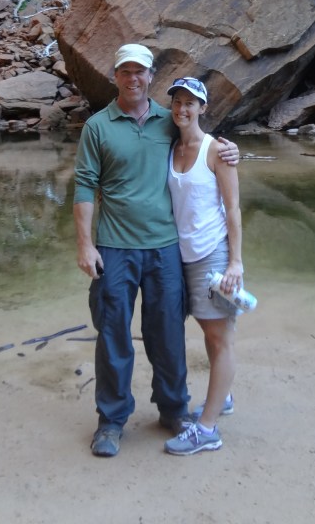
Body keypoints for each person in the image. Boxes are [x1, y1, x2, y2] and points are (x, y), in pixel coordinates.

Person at [73, 43, 239, 458]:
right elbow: (83, 187)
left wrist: (232, 149)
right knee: (112, 335)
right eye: (125, 72)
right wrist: (84, 244)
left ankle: (173, 409)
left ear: (151, 78)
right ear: (115, 76)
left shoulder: (169, 120)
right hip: (114, 247)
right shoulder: (97, 126)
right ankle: (111, 420)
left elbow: (205, 146)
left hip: (166, 249)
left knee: (167, 334)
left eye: (141, 72)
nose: (133, 79)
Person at [162, 76, 244, 456]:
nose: (183, 108)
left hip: (213, 256)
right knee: (209, 333)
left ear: (203, 108)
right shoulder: (171, 147)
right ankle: (221, 397)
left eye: (191, 103)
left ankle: (207, 429)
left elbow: (233, 210)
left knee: (219, 337)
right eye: (178, 101)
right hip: (183, 256)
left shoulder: (218, 151)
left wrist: (236, 263)